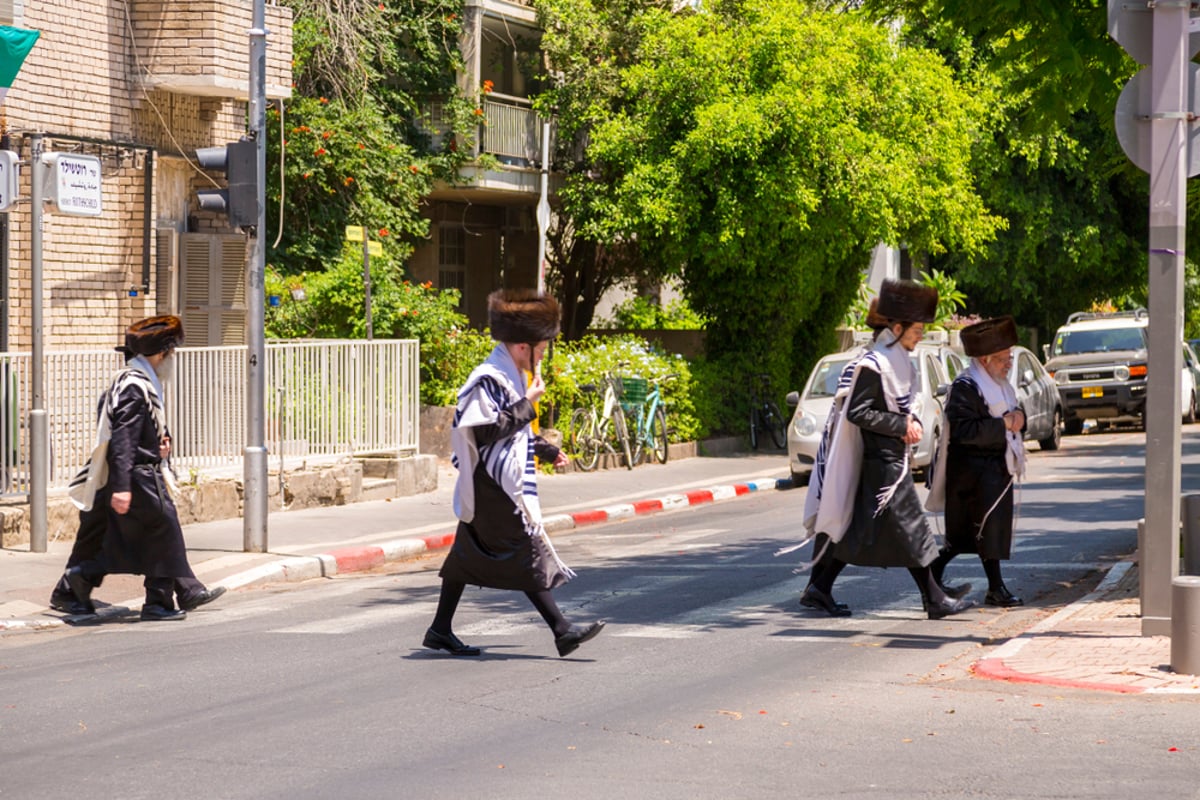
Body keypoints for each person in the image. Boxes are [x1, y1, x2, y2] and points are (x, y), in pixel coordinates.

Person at [423, 289, 604, 658]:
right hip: (491, 484)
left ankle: (440, 629)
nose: (541, 357)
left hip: (491, 481)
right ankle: (562, 630)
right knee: (524, 547)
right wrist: (529, 403)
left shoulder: (509, 375)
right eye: (540, 349)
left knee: (466, 555)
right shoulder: (488, 378)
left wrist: (548, 451)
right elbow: (483, 432)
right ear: (523, 346)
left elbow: (514, 435)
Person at [798, 279, 974, 620]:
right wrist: (900, 426)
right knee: (912, 530)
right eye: (917, 328)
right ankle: (935, 599)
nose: (921, 334)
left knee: (861, 533)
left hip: (891, 461)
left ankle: (820, 588)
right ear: (896, 328)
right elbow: (857, 412)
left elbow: (897, 409)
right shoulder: (873, 365)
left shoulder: (897, 361)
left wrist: (911, 423)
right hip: (882, 465)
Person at [58, 315, 225, 620]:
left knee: (138, 537)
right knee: (163, 532)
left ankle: (175, 593)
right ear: (161, 354)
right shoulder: (135, 387)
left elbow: (138, 431)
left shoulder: (136, 383)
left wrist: (160, 444)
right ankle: (157, 601)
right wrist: (122, 487)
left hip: (137, 472)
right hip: (137, 475)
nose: (172, 361)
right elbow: (123, 440)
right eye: (171, 354)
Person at [927, 315, 1026, 607]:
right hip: (972, 476)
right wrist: (1005, 424)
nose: (1009, 363)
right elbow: (965, 430)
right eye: (1003, 358)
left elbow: (1013, 415)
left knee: (982, 534)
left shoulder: (1001, 385)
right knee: (972, 535)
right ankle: (989, 587)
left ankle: (987, 586)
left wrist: (1020, 419)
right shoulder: (966, 387)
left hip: (994, 471)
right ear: (984, 360)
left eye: (1009, 357)